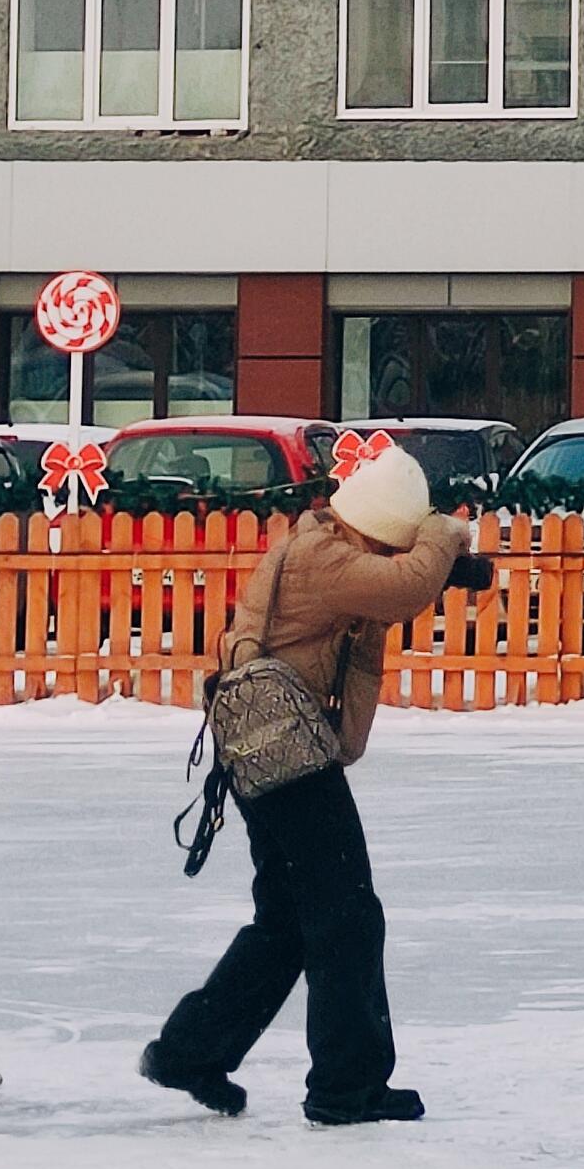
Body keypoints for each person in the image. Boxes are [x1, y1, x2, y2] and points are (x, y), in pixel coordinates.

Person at [140, 441, 493, 1125]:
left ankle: (192, 1048)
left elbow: (397, 588)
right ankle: (345, 1083)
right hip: (288, 751)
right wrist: (443, 533)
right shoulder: (325, 558)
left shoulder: (324, 545)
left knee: (289, 918)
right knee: (347, 914)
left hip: (263, 748)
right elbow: (402, 586)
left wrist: (450, 563)